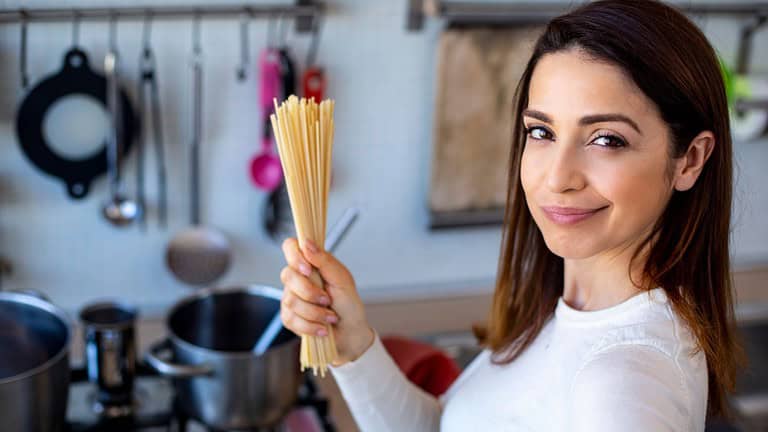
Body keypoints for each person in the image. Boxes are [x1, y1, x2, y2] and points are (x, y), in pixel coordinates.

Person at [279, 0, 746, 430]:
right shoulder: (558, 312)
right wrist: (352, 344)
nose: (557, 177)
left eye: (606, 139)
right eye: (542, 132)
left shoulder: (624, 387)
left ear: (689, 160)